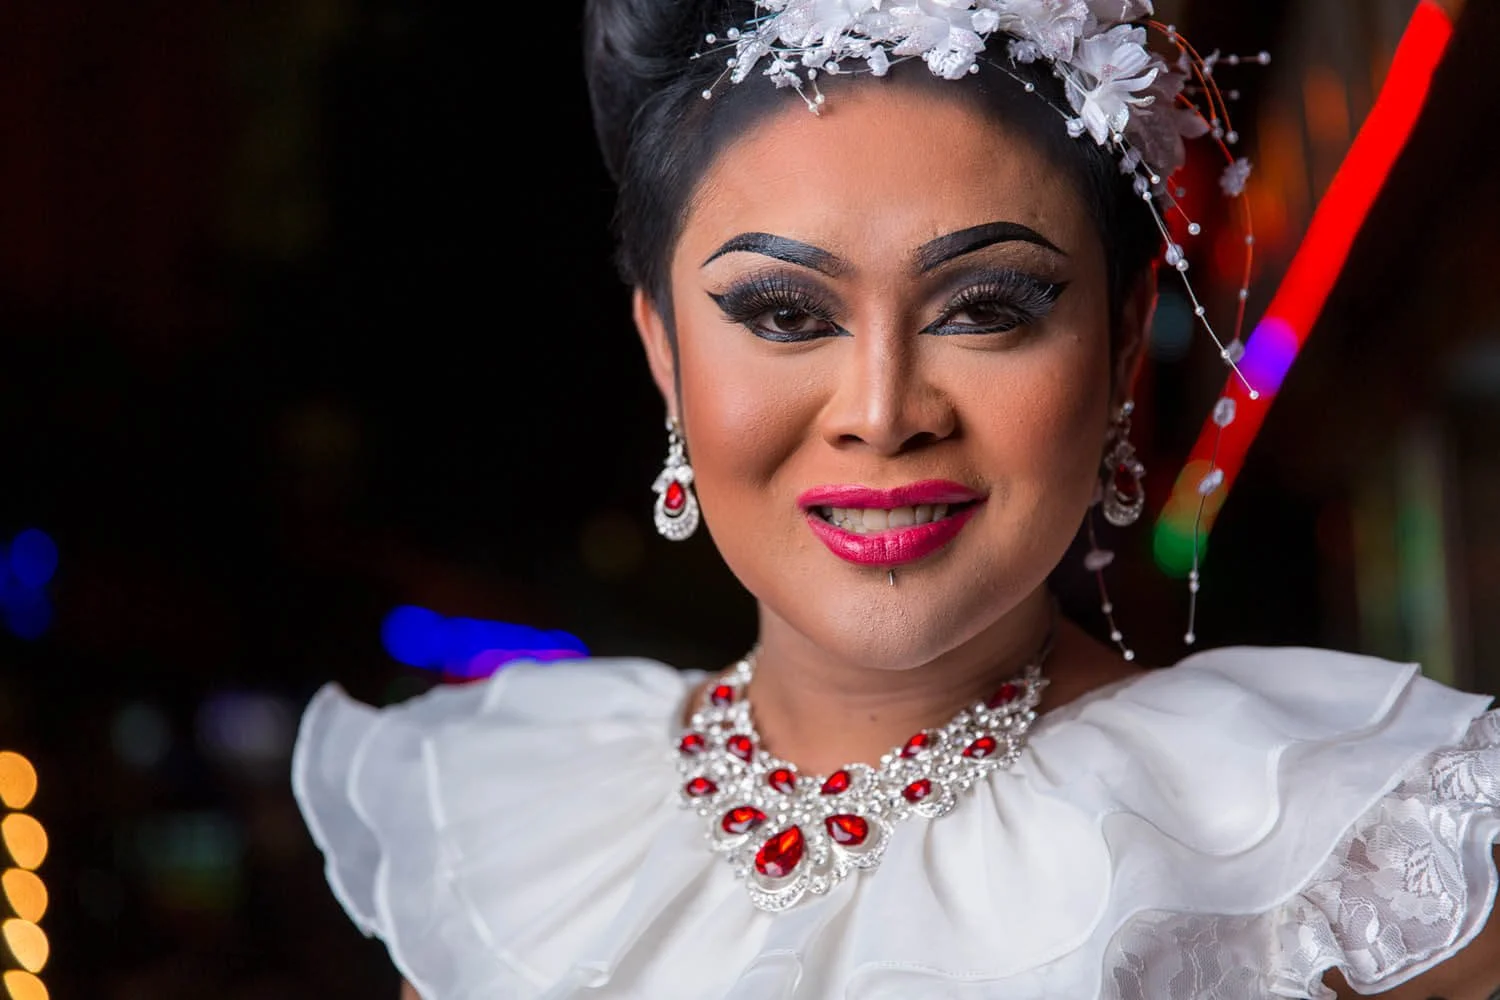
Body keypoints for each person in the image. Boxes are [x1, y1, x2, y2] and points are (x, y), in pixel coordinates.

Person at [291, 1, 1500, 997]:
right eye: (783, 314)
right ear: (663, 352)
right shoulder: (514, 848)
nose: (882, 409)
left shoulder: (1362, 867)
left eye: (987, 308)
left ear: (1124, 347)